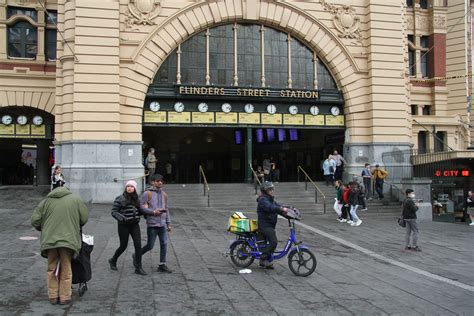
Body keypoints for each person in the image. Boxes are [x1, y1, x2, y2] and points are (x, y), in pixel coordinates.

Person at [31, 186, 89, 305]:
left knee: (51, 267)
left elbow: (35, 220)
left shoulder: (46, 201)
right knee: (66, 267)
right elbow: (84, 218)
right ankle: (64, 296)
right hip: (68, 240)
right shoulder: (75, 199)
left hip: (50, 240)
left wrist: (44, 228)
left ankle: (53, 296)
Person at [108, 180, 150, 275]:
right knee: (123, 246)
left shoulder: (137, 199)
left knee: (138, 245)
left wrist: (146, 211)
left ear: (135, 188)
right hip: (123, 226)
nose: (129, 188)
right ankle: (113, 260)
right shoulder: (120, 198)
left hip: (135, 225)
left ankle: (138, 267)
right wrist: (123, 219)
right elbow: (114, 212)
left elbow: (139, 211)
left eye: (132, 186)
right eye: (128, 186)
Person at [138, 174, 172, 273]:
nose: (160, 182)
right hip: (152, 224)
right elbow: (142, 207)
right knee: (150, 245)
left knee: (164, 244)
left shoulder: (164, 194)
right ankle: (137, 255)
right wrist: (153, 212)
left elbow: (166, 209)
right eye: (157, 181)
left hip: (162, 225)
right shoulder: (147, 193)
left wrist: (168, 223)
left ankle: (162, 264)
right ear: (152, 182)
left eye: (161, 181)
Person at [257, 181, 289, 269]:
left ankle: (265, 261)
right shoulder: (263, 200)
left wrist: (289, 211)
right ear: (265, 191)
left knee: (271, 242)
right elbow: (270, 208)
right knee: (274, 242)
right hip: (264, 225)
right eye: (269, 189)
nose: (271, 191)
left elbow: (277, 207)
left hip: (270, 225)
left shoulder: (270, 199)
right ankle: (263, 258)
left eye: (272, 189)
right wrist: (281, 208)